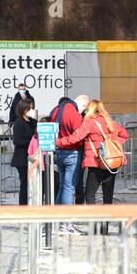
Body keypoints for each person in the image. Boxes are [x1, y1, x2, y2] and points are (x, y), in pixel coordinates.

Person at [56, 100, 128, 236]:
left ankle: (94, 224)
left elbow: (75, 138)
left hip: (96, 164)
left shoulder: (89, 122)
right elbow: (124, 134)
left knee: (90, 194)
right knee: (108, 197)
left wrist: (58, 142)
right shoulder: (109, 122)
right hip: (111, 163)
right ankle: (105, 227)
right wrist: (113, 144)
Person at [49, 95, 90, 235]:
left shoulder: (55, 110)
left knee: (62, 186)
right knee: (69, 187)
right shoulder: (74, 114)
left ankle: (56, 220)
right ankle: (66, 224)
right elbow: (78, 138)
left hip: (58, 153)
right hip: (72, 153)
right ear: (83, 106)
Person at [10, 99, 37, 205]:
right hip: (22, 159)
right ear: (24, 109)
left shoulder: (33, 122)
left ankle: (32, 203)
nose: (32, 110)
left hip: (33, 157)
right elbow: (17, 141)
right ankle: (23, 206)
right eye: (30, 108)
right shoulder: (19, 123)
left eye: (32, 108)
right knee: (25, 183)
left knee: (32, 183)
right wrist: (32, 141)